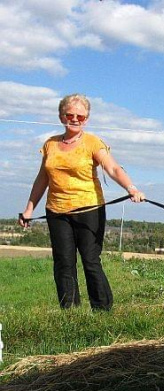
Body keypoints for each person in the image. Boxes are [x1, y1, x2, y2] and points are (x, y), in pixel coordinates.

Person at [18, 93, 145, 311]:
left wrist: (131, 188)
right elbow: (42, 178)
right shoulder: (50, 144)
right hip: (56, 210)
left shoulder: (92, 142)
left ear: (86, 119)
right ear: (61, 116)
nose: (75, 119)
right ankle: (70, 310)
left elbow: (113, 168)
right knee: (64, 262)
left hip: (89, 209)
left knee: (90, 260)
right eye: (70, 114)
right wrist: (29, 209)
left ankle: (102, 309)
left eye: (81, 116)